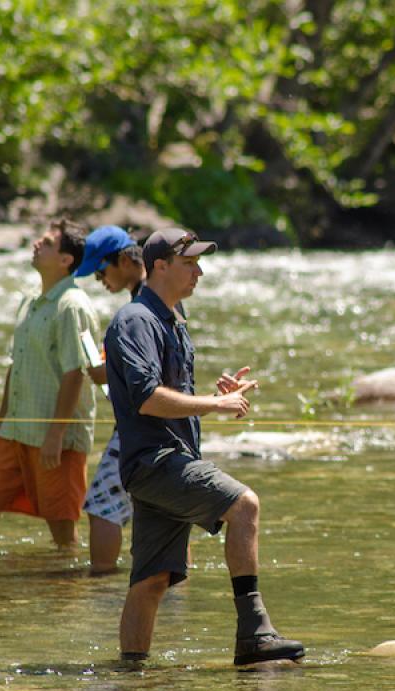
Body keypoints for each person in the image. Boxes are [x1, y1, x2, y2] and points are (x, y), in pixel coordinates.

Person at [104, 227, 304, 666]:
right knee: (245, 506)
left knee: (152, 580)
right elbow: (147, 398)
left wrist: (214, 394)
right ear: (160, 267)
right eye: (190, 263)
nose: (199, 272)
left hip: (164, 462)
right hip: (156, 462)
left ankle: (131, 675)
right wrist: (215, 404)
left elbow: (170, 395)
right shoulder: (137, 320)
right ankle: (254, 634)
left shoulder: (172, 319)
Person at [0, 219, 99, 552]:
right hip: (16, 429)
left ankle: (66, 584)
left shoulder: (72, 306)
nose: (37, 244)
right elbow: (16, 366)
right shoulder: (29, 301)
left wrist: (56, 434)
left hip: (56, 436)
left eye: (48, 243)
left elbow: (76, 373)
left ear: (66, 260)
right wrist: (0, 423)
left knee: (62, 525)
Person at [74, 225, 145, 573]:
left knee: (102, 506)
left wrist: (106, 372)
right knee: (159, 512)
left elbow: (146, 375)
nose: (100, 280)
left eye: (101, 271)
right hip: (161, 425)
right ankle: (175, 593)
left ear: (124, 260)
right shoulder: (155, 297)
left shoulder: (142, 306)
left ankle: (101, 584)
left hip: (140, 427)